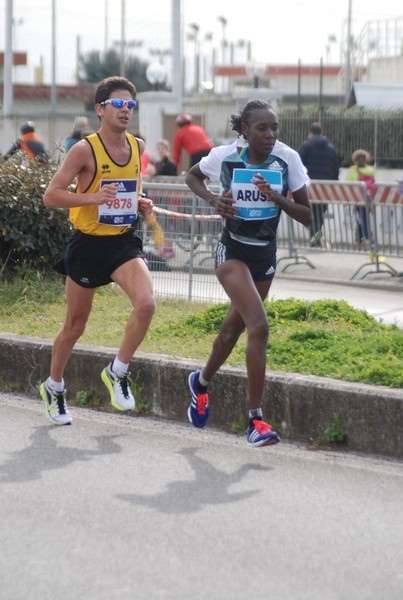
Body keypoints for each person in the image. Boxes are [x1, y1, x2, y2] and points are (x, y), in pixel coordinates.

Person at [184, 99, 311, 448]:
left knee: (231, 330)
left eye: (274, 128)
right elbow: (191, 176)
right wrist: (213, 200)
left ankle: (201, 382)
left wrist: (276, 197)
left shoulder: (288, 159)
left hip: (265, 257)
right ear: (244, 130)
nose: (270, 134)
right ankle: (256, 419)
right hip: (232, 251)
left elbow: (307, 216)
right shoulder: (224, 155)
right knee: (259, 326)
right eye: (262, 128)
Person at [39, 75, 156, 426]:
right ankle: (54, 386)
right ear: (100, 109)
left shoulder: (136, 146)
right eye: (118, 104)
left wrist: (139, 203)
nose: (125, 111)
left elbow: (126, 192)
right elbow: (51, 196)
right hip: (88, 243)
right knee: (75, 326)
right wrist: (92, 196)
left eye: (130, 105)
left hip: (122, 242)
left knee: (147, 304)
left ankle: (117, 371)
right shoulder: (84, 150)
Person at [298, 122, 340, 246]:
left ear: (310, 133)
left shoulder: (305, 146)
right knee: (319, 213)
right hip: (324, 186)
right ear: (321, 133)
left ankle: (314, 234)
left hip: (309, 185)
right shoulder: (331, 148)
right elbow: (336, 166)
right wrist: (333, 182)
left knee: (308, 212)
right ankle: (316, 235)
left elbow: (298, 164)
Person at [346, 149, 375, 244]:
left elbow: (348, 182)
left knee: (360, 218)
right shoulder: (370, 171)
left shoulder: (353, 170)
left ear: (355, 160)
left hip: (357, 198)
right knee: (364, 217)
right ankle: (360, 238)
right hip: (368, 198)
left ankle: (368, 236)